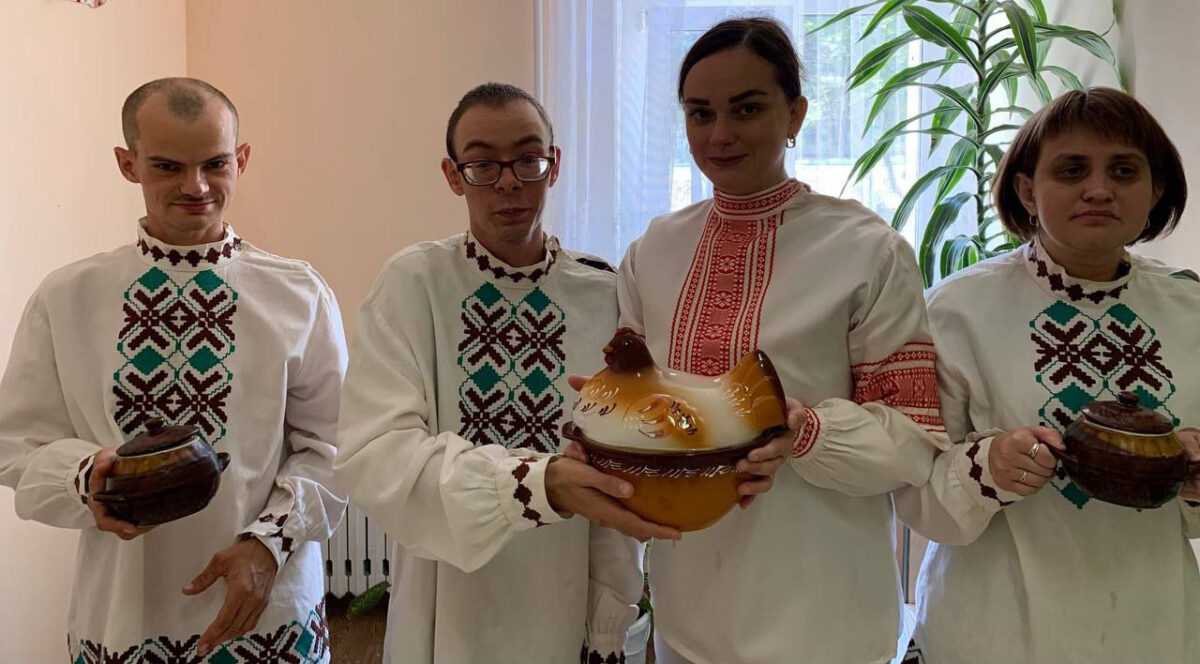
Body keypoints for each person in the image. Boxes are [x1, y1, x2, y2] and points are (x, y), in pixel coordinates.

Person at [614, 17, 947, 664]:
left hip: (823, 610)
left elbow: (912, 443)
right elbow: (635, 403)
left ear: (795, 114)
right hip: (686, 606)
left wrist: (803, 432)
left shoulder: (865, 251)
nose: (720, 134)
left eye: (747, 109)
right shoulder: (653, 251)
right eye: (700, 113)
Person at [334, 82, 689, 663]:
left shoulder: (602, 294)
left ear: (555, 165)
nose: (508, 182)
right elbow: (377, 453)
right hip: (449, 594)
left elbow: (617, 465)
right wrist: (536, 484)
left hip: (565, 590)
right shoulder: (414, 285)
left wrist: (609, 624)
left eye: (528, 159)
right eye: (482, 165)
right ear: (453, 175)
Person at [0, 78, 347, 661]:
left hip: (269, 608)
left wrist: (269, 544)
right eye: (168, 166)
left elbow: (337, 445)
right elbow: (16, 446)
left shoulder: (298, 294)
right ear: (128, 164)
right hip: (123, 613)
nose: (196, 186)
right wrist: (88, 478)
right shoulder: (68, 298)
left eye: (215, 164)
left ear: (241, 159)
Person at [895, 87, 1200, 663]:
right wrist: (988, 467)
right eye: (1071, 169)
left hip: (1153, 626)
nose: (1099, 189)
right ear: (1027, 190)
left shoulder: (1190, 311)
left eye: (1124, 171)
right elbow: (913, 498)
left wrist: (1190, 476)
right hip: (992, 631)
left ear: (1156, 190)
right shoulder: (954, 312)